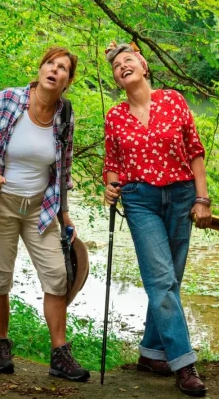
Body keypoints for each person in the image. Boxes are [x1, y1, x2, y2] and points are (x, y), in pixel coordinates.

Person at [0, 47, 90, 382]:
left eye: (62, 68)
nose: (54, 70)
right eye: (50, 63)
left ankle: (59, 354)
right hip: (0, 202)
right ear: (40, 68)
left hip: (41, 207)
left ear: (68, 80)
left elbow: (64, 168)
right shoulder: (7, 99)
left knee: (57, 276)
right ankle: (2, 344)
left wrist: (65, 214)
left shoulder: (66, 114)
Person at [103, 42, 211, 397]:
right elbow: (113, 165)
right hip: (140, 201)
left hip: (181, 196)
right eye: (117, 66)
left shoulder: (174, 100)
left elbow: (195, 151)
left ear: (144, 65)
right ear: (117, 79)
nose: (123, 66)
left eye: (128, 60)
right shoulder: (115, 116)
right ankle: (184, 363)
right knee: (161, 279)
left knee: (170, 282)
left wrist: (202, 198)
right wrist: (110, 187)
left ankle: (151, 354)